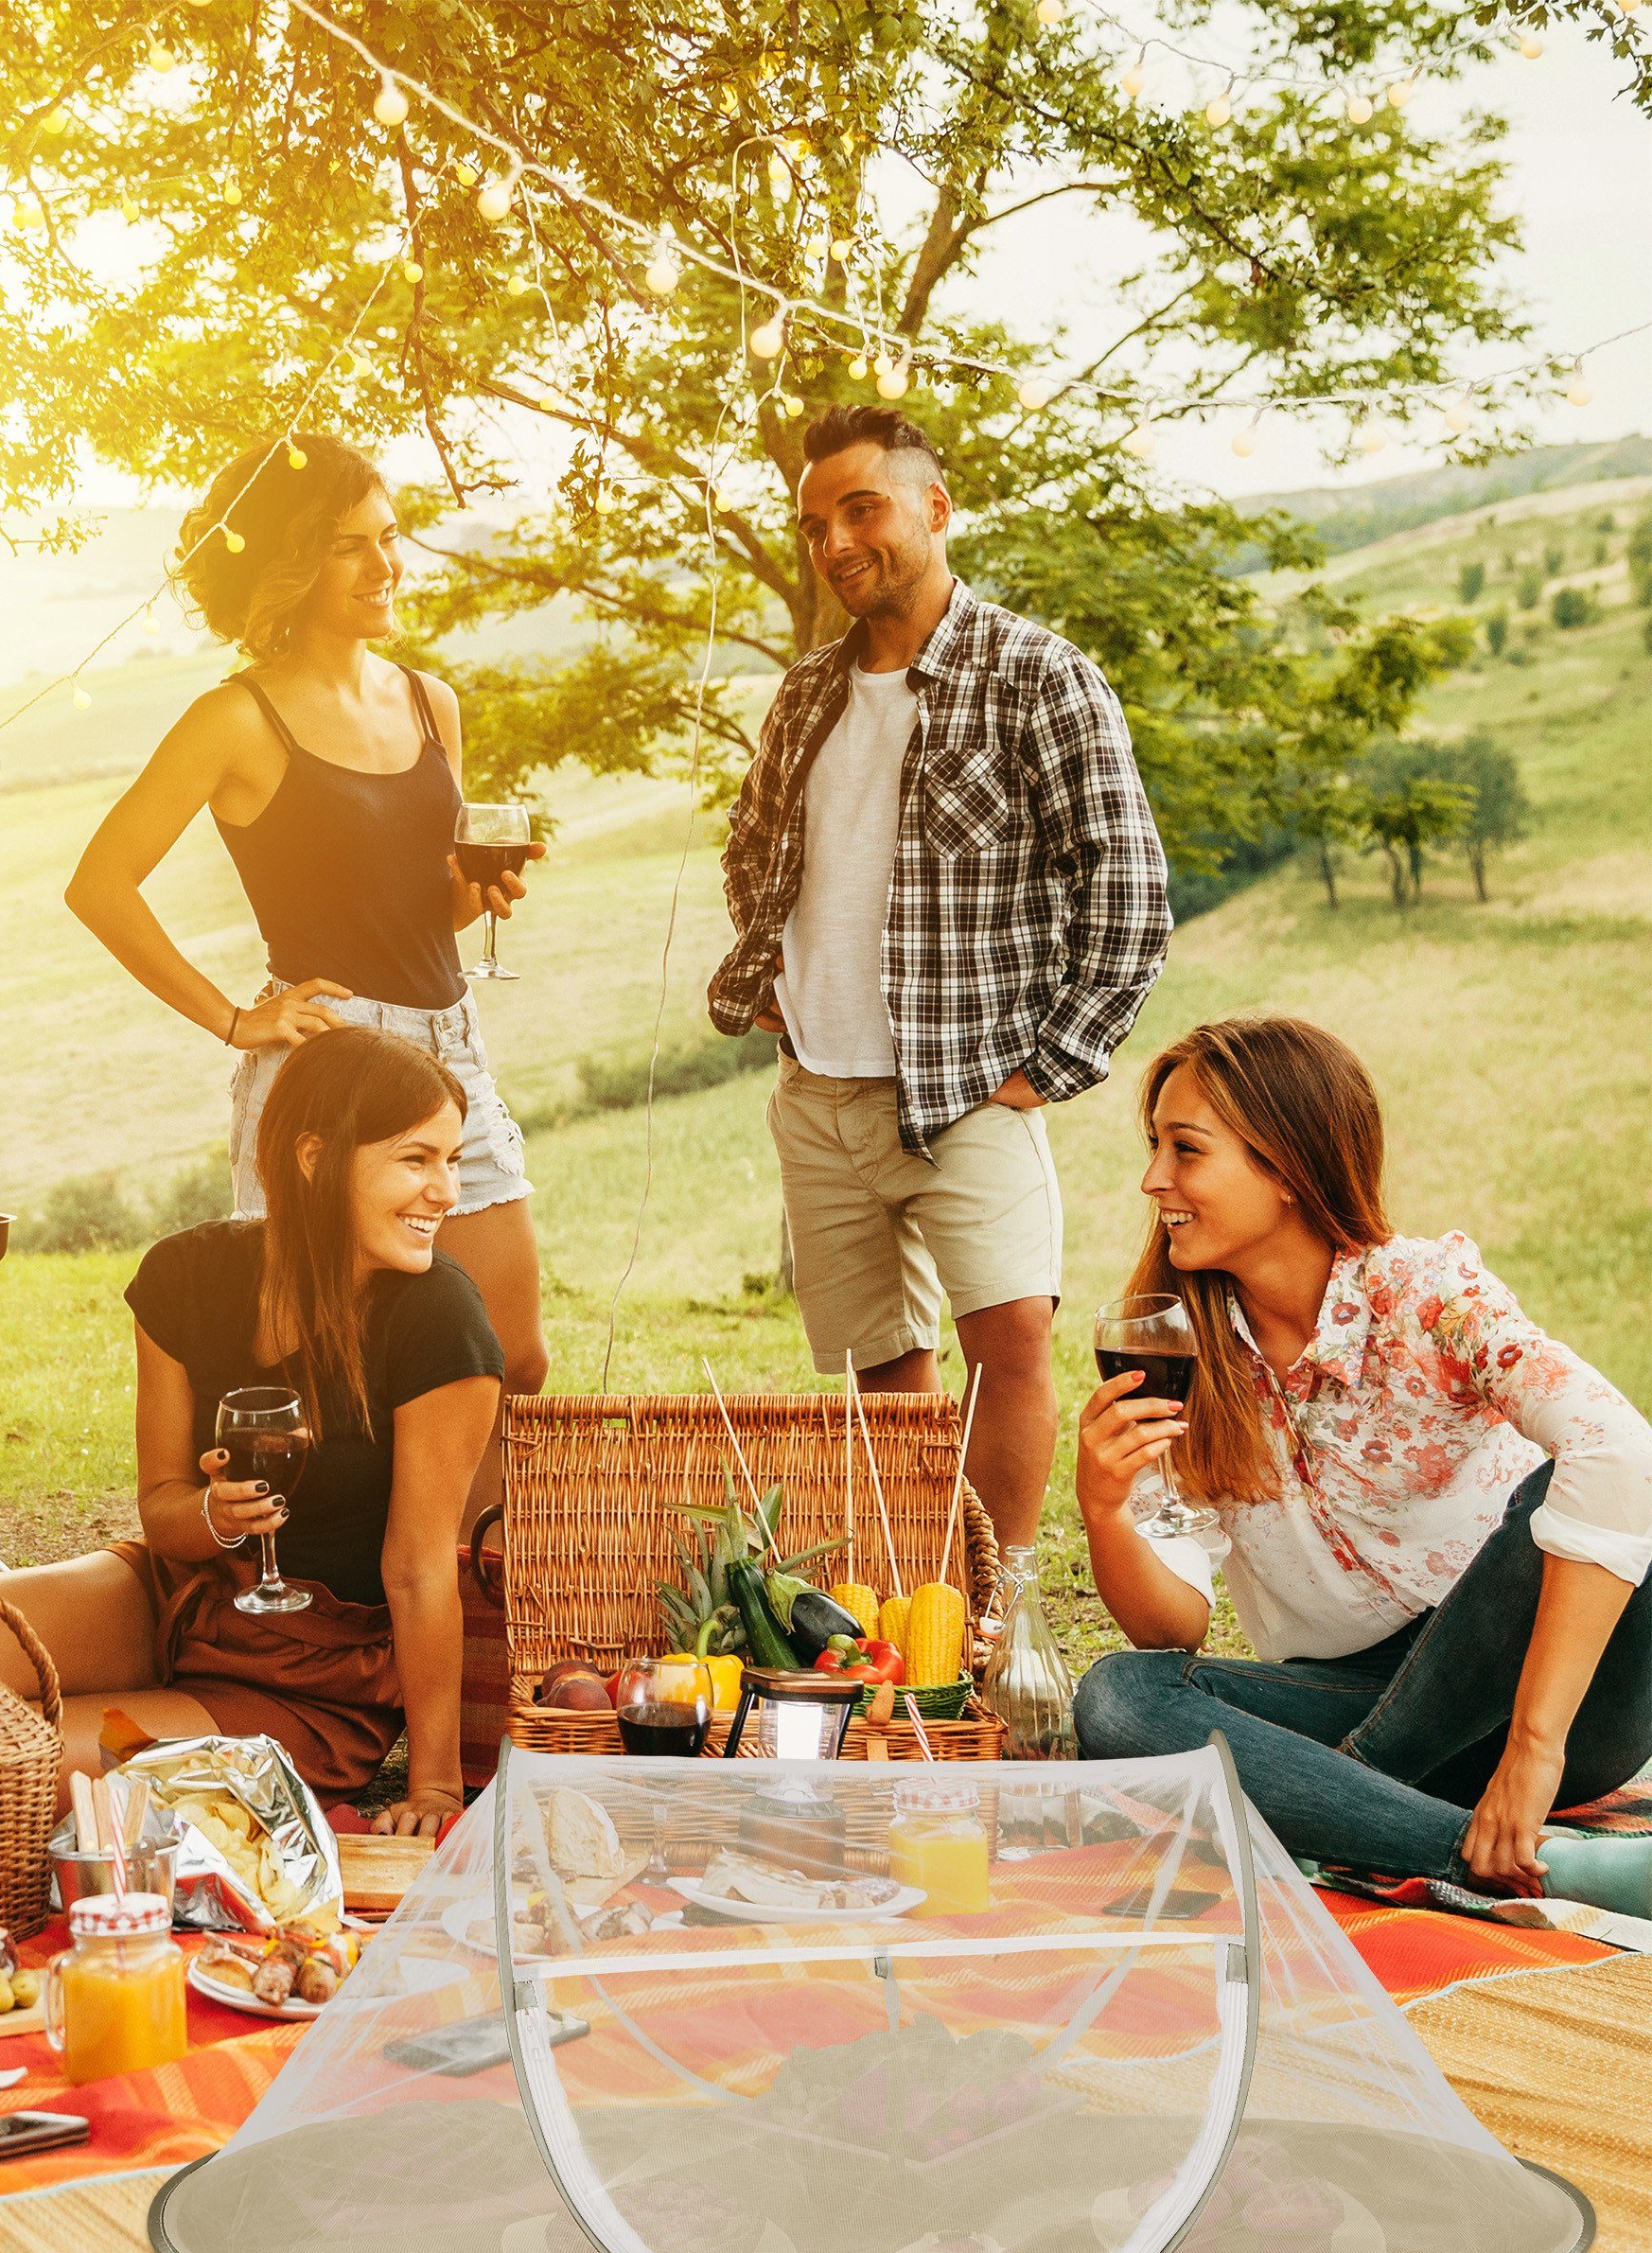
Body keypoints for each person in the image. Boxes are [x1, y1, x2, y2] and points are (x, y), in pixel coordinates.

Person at [707, 405, 1172, 1551]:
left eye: (861, 508)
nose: (835, 541)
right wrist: (765, 972)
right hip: (817, 1094)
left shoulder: (1037, 676)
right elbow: (748, 844)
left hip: (967, 1084)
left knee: (1007, 1343)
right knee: (883, 1362)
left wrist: (1051, 1059)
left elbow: (1125, 885)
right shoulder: (807, 691)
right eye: (817, 522)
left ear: (933, 507)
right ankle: (921, 1594)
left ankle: (998, 1605)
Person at [0, 1028, 503, 1838]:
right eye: (417, 1159)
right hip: (178, 1599)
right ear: (314, 1157)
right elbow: (161, 1506)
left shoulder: (441, 1319)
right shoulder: (185, 1279)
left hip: (303, 1679)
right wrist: (212, 1518)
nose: (446, 1189)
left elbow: (417, 1567)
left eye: (451, 1159)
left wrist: (435, 1787)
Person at [1070, 1015, 1652, 1915]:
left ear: (1287, 1168)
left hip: (1536, 1700)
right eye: (1156, 1147)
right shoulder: (1180, 1355)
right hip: (1342, 1696)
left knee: (1573, 1486)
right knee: (1118, 1697)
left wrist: (1535, 1748)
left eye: (1186, 1150)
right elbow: (1172, 1626)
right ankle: (1499, 1859)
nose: (1154, 1180)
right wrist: (1107, 1512)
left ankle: (1338, 1804)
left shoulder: (1426, 1295)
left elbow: (1620, 1447)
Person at [64, 433, 547, 1502]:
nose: (385, 566)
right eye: (349, 547)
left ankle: (473, 1603)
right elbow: (99, 884)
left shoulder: (430, 702)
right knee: (327, 1383)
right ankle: (342, 1613)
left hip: (447, 1052)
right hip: (325, 1068)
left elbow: (421, 906)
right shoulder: (238, 717)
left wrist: (481, 893)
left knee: (513, 1366)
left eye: (389, 538)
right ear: (291, 565)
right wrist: (237, 1020)